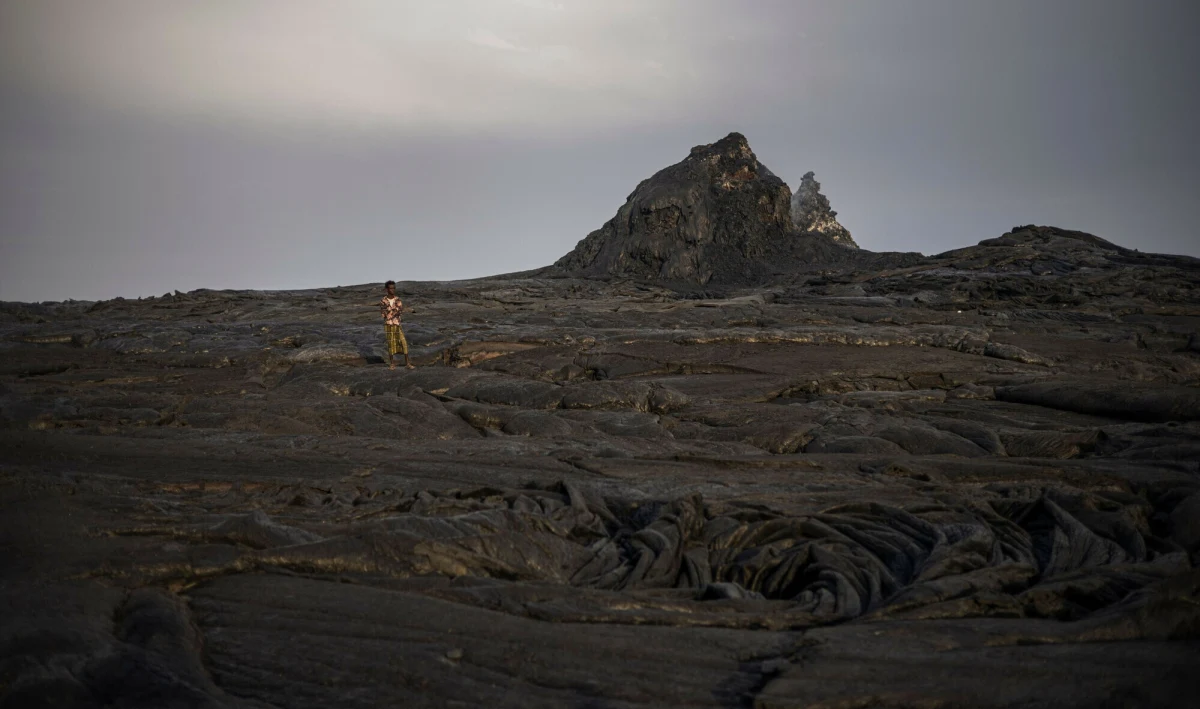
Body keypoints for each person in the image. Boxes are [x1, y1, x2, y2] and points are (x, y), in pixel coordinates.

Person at [378, 280, 414, 370]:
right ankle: (392, 364)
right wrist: (394, 311)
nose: (393, 290)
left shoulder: (397, 299)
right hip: (388, 325)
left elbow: (399, 310)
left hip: (397, 324)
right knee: (391, 344)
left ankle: (407, 363)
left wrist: (391, 312)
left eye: (394, 288)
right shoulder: (383, 301)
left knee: (403, 342)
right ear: (387, 289)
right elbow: (384, 314)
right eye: (391, 288)